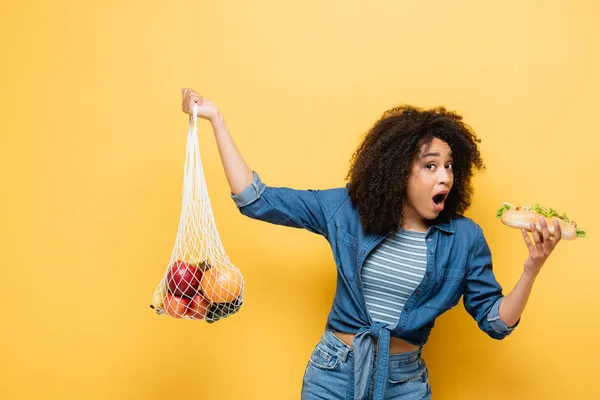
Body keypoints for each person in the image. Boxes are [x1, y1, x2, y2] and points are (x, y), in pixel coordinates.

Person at [180, 88, 562, 400]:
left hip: (403, 383)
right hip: (333, 373)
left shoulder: (464, 239)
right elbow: (256, 200)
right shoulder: (346, 210)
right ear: (398, 170)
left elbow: (495, 322)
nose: (444, 176)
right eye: (430, 165)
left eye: (449, 165)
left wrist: (532, 268)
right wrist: (217, 119)